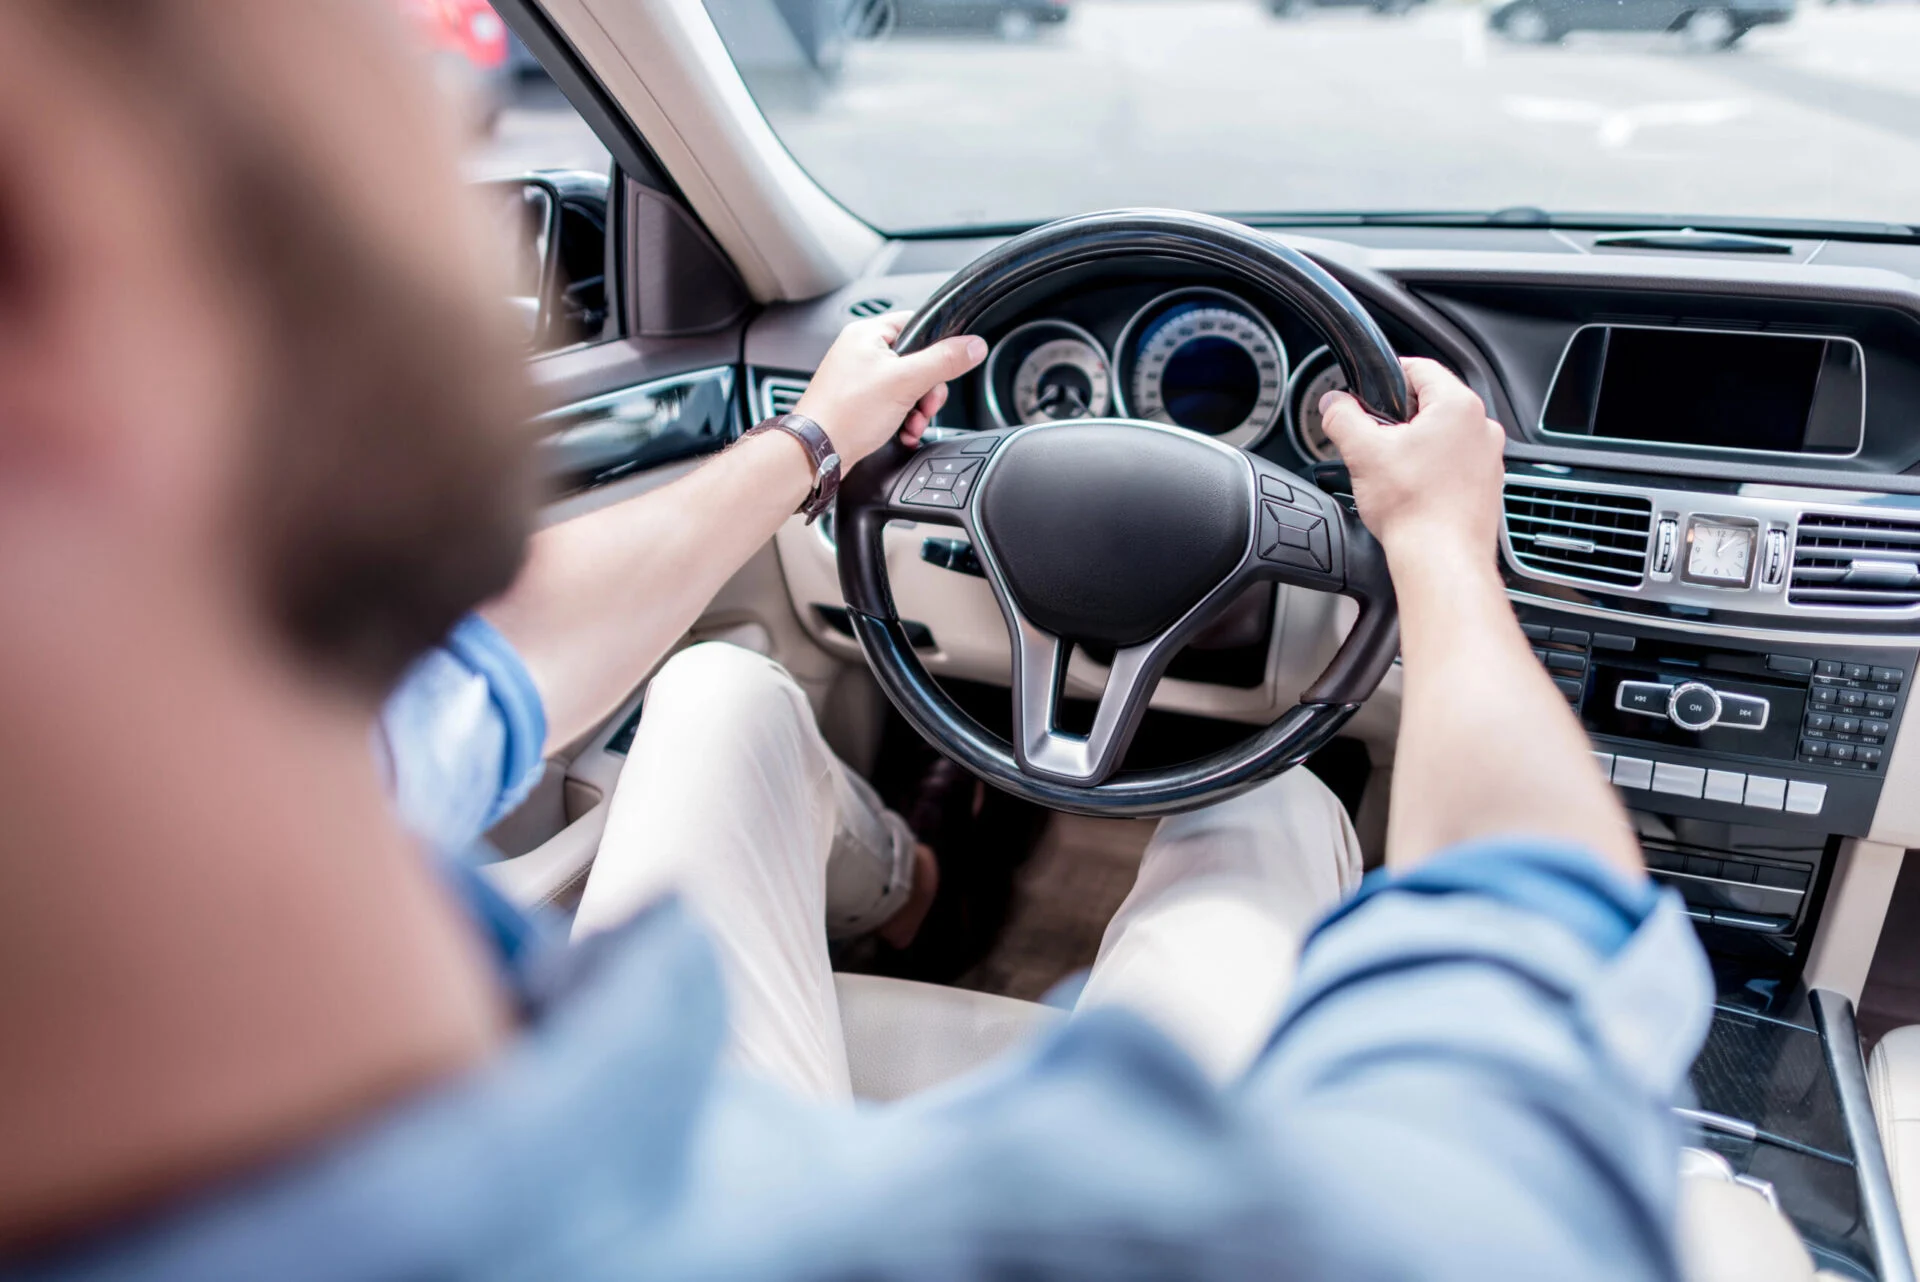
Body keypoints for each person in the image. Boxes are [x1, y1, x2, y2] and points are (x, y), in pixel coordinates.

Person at [0, 2, 1712, 1279]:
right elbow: (1537, 954)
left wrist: (810, 447)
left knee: (731, 693)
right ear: (81, 264)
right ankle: (1183, 852)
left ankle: (919, 899)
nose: (441, 69)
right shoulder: (1232, 1236)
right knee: (1258, 819)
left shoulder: (212, 762)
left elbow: (487, 675)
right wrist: (1440, 554)